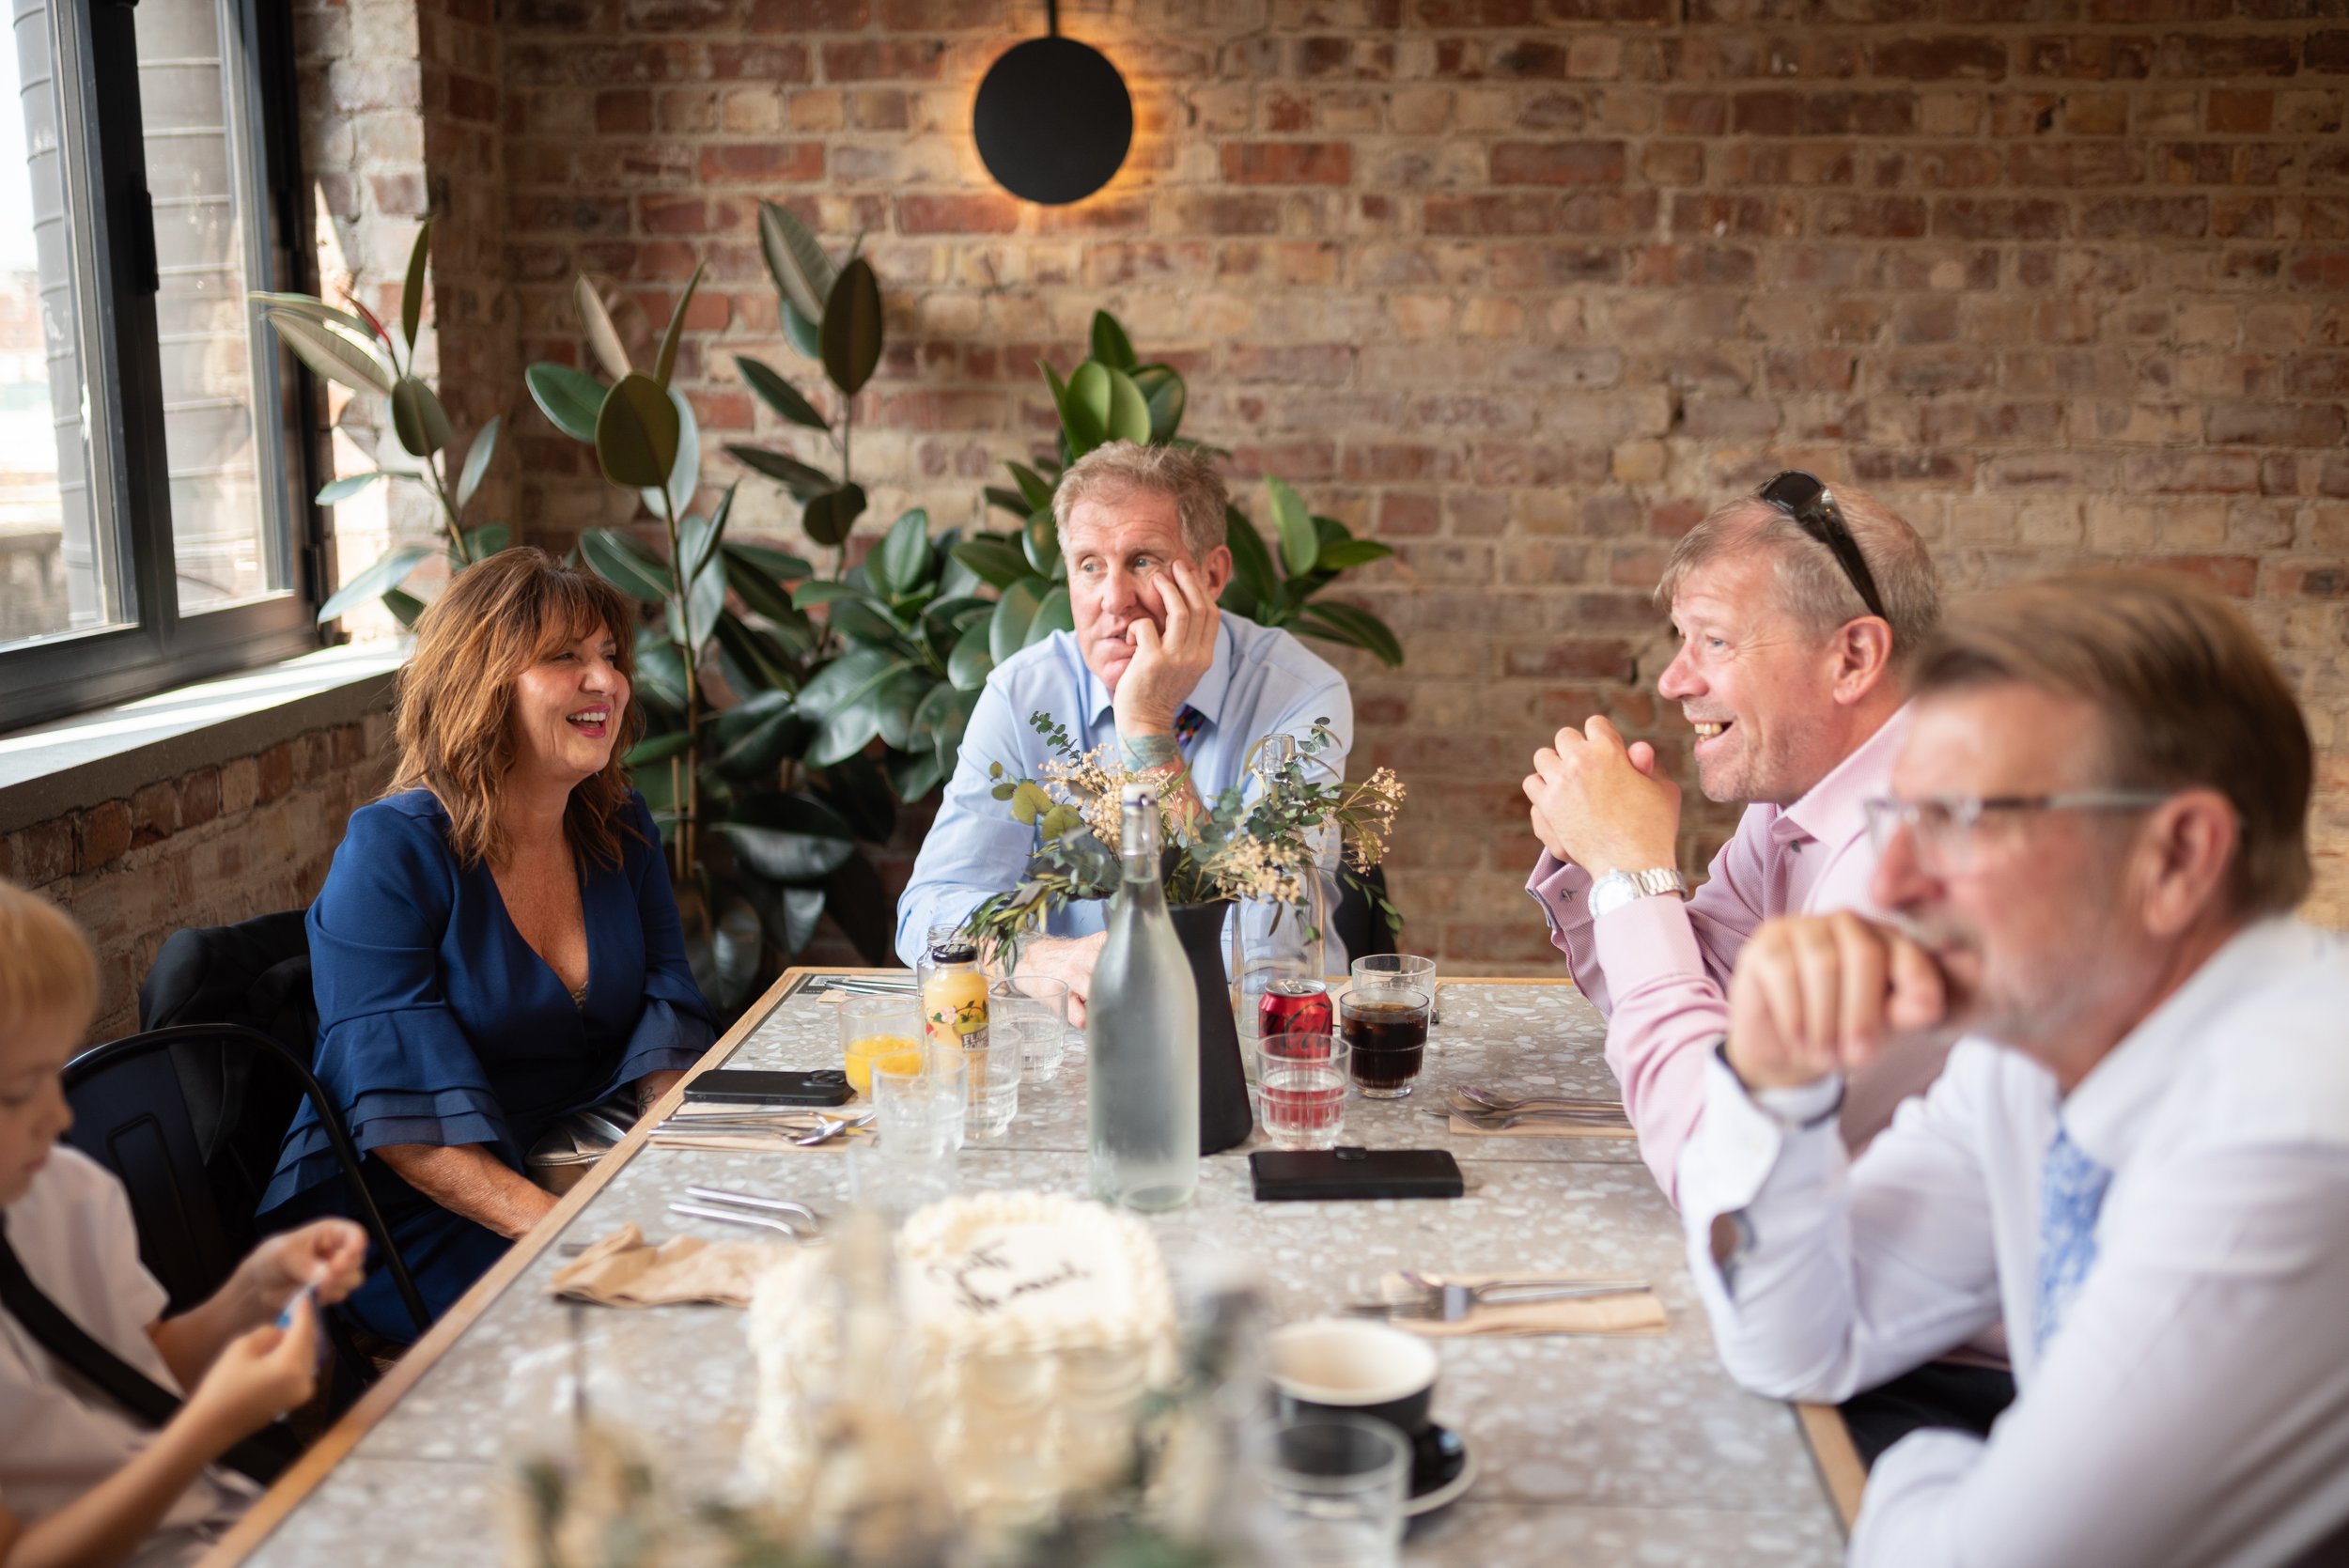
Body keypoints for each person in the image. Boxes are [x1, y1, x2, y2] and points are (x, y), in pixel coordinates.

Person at [1679, 572, 2349, 1567]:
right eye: (1897, 821)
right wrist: (1775, 1086)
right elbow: (1792, 1341)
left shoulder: (2283, 1144)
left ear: (2175, 857)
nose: (1893, 885)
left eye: (1961, 820)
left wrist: (1931, 1466)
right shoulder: (2029, 1058)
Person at [260, 549, 715, 1342]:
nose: (605, 680)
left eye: (610, 656)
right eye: (565, 657)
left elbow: (665, 1003)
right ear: (480, 682)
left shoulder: (619, 827)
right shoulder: (391, 852)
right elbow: (405, 1132)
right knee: (651, 1330)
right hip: (413, 1215)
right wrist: (581, 1231)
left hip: (568, 1163)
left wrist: (676, 1166)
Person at [1521, 472, 1942, 1202]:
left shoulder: (1914, 857)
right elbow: (1694, 1001)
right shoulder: (1799, 798)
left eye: (1715, 640)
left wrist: (1631, 869)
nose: (1673, 681)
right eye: (1683, 640)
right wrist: (1598, 854)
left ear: (1853, 659)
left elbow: (1725, 1172)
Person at [898, 442, 1354, 1020]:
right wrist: (1043, 961)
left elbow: (1268, 950)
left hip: (1258, 1049)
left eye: (1143, 561)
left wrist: (1146, 727)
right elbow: (929, 911)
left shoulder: (1302, 695)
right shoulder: (1023, 695)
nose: (1113, 599)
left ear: (1211, 575)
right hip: (1076, 1044)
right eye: (1090, 565)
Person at [0, 878, 367, 1568]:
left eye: (56, 1072)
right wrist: (206, 1430)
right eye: (20, 1092)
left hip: (225, 1520)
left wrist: (251, 1292)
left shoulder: (66, 1189)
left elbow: (137, 1362)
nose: (58, 1114)